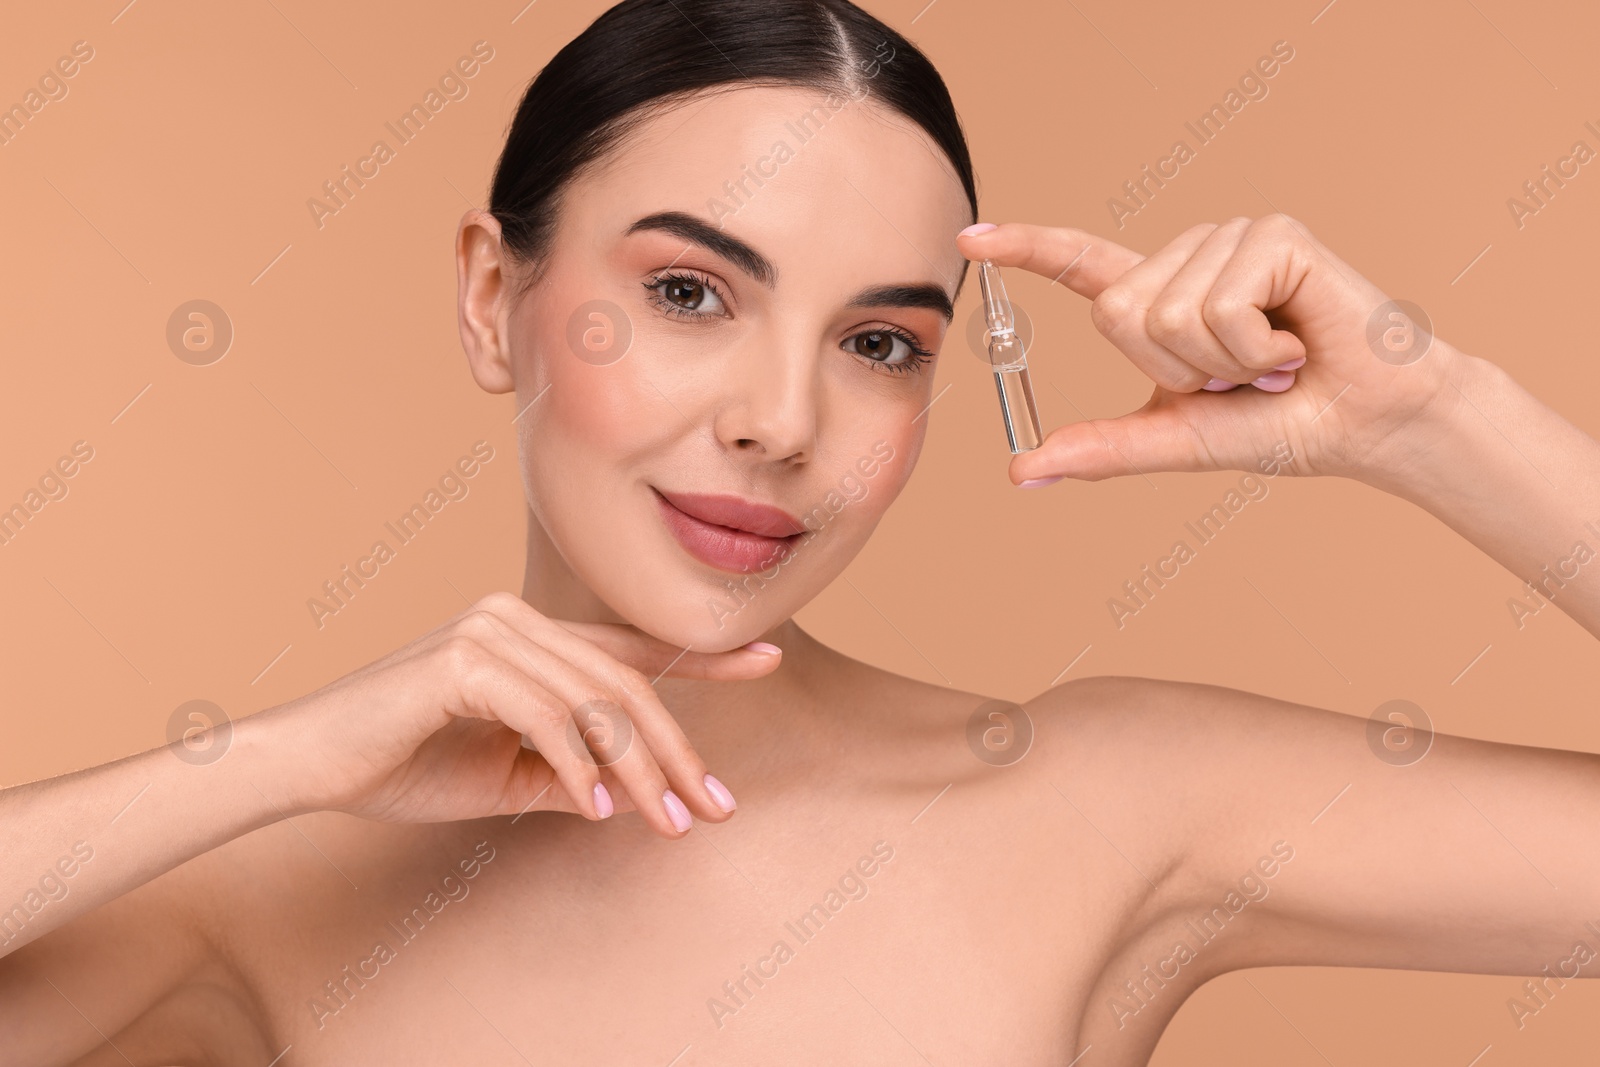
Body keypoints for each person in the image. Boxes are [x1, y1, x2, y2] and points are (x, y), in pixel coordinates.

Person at [3, 0, 1597, 1062]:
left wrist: (1428, 415)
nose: (782, 421)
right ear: (499, 299)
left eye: (881, 341)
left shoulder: (1106, 800)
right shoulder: (260, 887)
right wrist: (275, 764)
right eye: (690, 294)